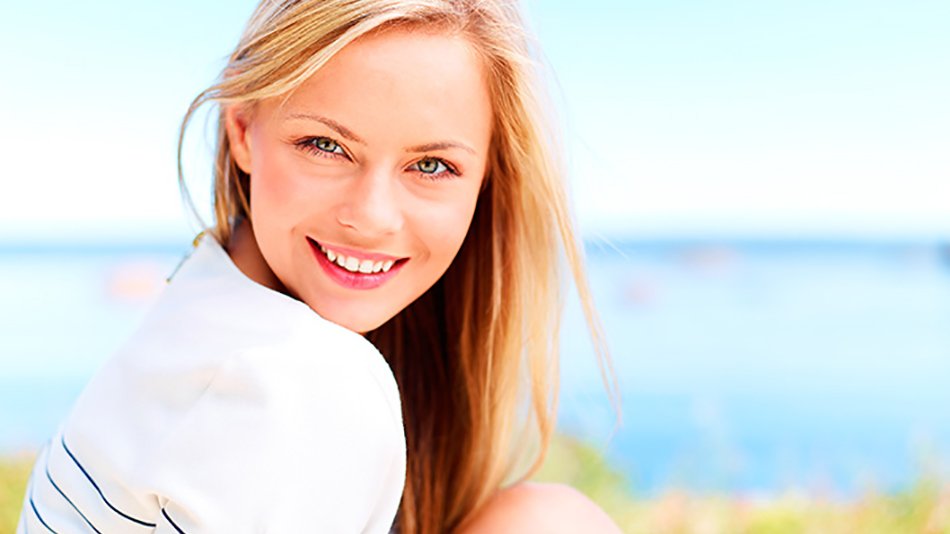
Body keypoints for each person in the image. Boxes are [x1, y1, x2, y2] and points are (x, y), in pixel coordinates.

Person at [18, 1, 620, 532]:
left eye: (431, 166)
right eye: (325, 146)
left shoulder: (201, 300)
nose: (372, 216)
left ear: (487, 176)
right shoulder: (303, 383)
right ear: (242, 129)